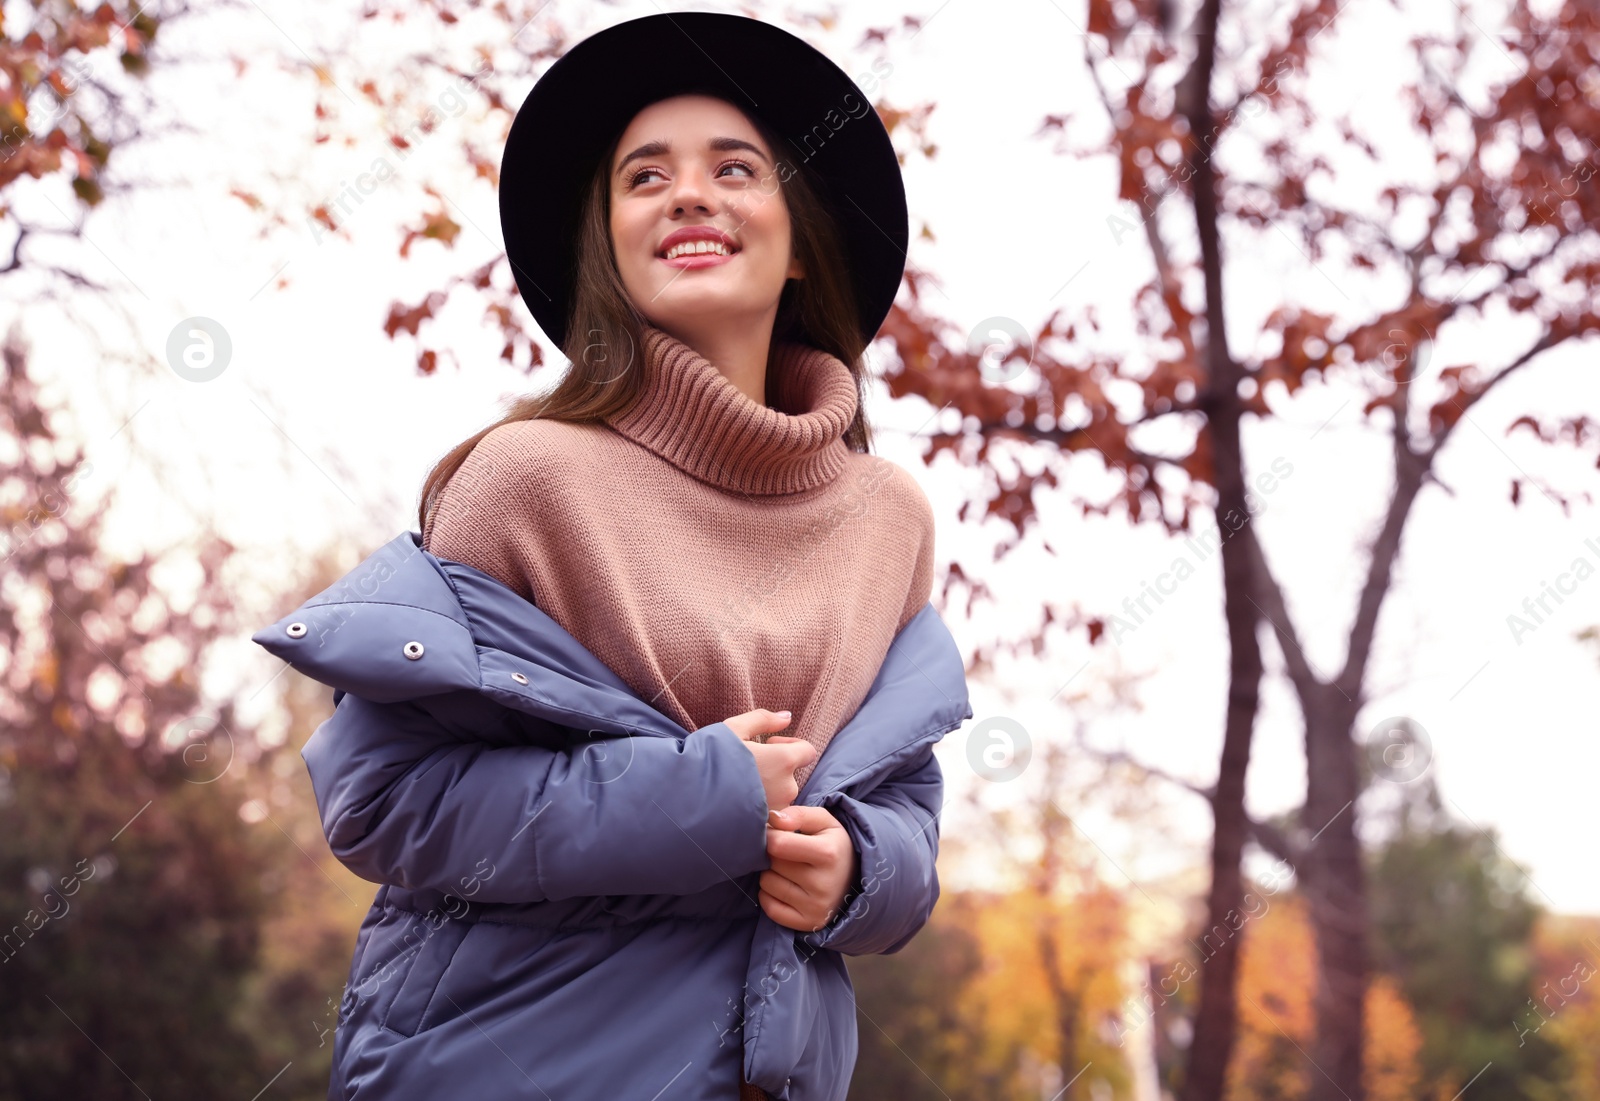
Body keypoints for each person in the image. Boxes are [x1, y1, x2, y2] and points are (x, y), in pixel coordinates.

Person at [255, 13, 970, 1100]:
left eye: (737, 168)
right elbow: (384, 798)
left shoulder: (889, 520)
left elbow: (906, 803)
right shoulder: (523, 480)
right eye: (645, 178)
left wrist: (861, 874)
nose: (689, 194)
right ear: (609, 246)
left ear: (798, 240)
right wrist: (697, 798)